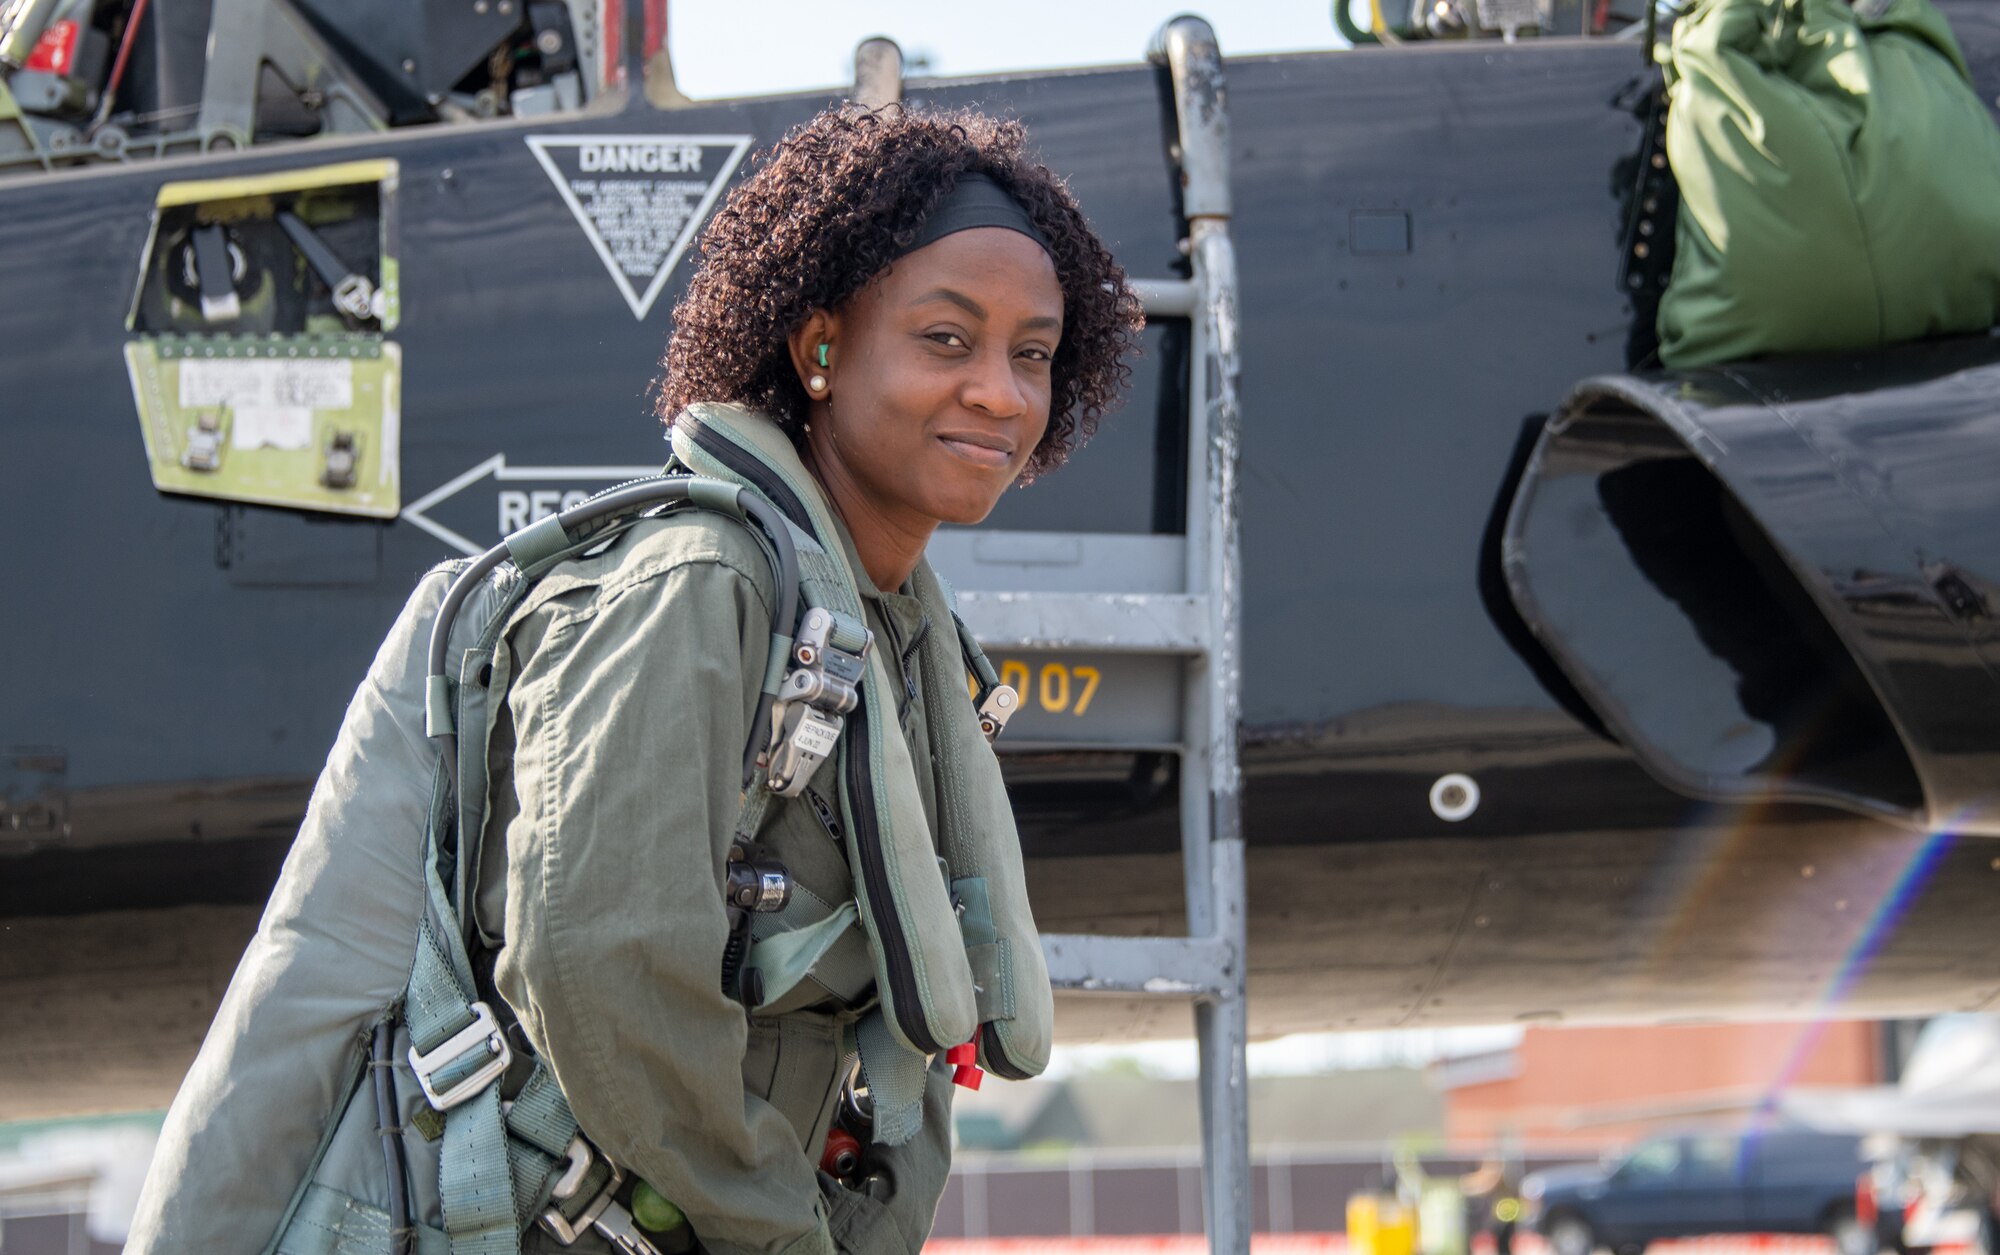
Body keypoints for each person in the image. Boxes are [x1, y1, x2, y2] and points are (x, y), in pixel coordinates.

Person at [480, 104, 1140, 1255]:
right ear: (820, 348)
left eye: (1030, 354)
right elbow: (594, 971)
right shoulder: (696, 586)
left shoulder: (893, 634)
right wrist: (782, 1235)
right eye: (946, 339)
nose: (999, 391)